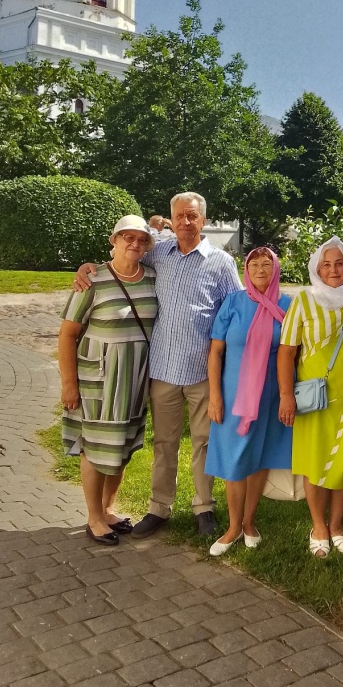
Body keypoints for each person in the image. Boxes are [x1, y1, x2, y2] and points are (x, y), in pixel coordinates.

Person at [74, 192, 241, 538]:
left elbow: (238, 308)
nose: (185, 222)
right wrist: (87, 268)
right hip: (162, 369)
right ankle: (159, 508)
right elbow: (125, 252)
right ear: (171, 219)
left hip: (202, 370)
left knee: (204, 441)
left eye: (192, 216)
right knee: (164, 443)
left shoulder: (221, 263)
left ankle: (203, 506)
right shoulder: (159, 253)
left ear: (203, 220)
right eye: (179, 216)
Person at [59, 215, 157, 545]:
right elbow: (67, 334)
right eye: (127, 237)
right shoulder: (93, 280)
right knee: (95, 447)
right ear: (113, 240)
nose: (135, 243)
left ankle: (109, 508)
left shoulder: (152, 278)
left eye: (141, 239)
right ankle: (94, 517)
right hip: (98, 378)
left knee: (122, 446)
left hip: (134, 378)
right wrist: (69, 384)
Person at [277, 237, 343, 558]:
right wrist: (286, 395)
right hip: (313, 396)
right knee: (314, 462)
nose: (333, 270)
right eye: (326, 264)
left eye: (339, 263)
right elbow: (286, 352)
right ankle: (318, 526)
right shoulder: (304, 300)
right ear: (317, 268)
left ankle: (337, 525)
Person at [205, 247, 292, 556]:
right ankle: (232, 526)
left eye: (266, 264)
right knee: (233, 461)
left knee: (258, 458)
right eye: (253, 263)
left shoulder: (288, 306)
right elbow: (215, 352)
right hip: (232, 395)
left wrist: (287, 395)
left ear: (276, 268)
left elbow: (293, 352)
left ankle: (249, 522)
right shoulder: (233, 303)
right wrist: (214, 395)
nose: (259, 268)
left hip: (269, 395)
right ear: (246, 269)